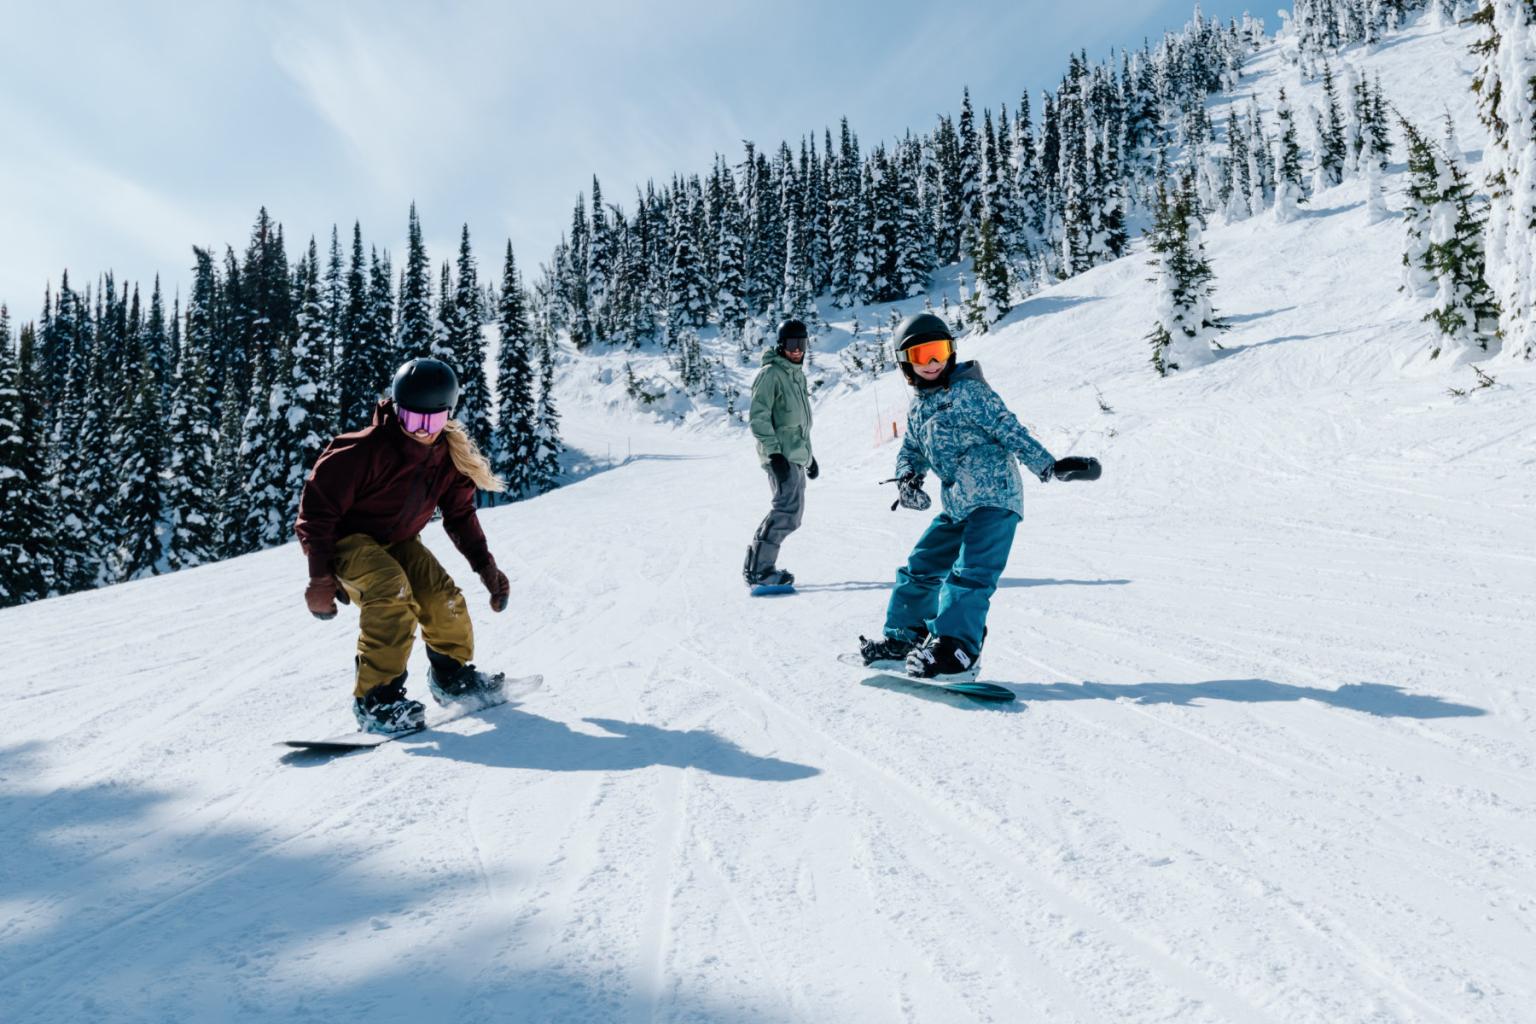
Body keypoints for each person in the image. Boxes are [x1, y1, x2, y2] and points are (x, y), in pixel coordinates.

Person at [859, 313, 1101, 680]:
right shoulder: (917, 409)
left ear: (952, 352)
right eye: (922, 355)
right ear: (906, 363)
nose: (933, 363)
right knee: (920, 566)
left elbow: (1009, 429)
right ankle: (905, 639)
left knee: (970, 574)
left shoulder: (971, 392)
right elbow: (911, 449)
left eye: (939, 352)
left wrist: (1048, 466)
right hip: (957, 506)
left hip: (995, 499)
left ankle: (957, 650)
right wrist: (908, 475)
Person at [295, 357, 513, 734]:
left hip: (398, 541)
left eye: (434, 422)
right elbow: (316, 515)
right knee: (389, 589)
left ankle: (451, 677)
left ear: (448, 416)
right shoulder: (359, 451)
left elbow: (460, 516)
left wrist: (486, 568)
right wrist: (319, 580)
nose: (424, 431)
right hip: (347, 543)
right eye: (414, 420)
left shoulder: (446, 458)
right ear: (398, 411)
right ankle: (376, 700)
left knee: (441, 596)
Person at [743, 318, 819, 587]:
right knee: (787, 513)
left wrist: (809, 459)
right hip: (781, 459)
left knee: (790, 515)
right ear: (781, 345)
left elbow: (797, 426)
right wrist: (774, 455)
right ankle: (761, 571)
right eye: (791, 344)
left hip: (795, 457)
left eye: (801, 344)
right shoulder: (771, 374)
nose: (797, 350)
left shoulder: (796, 375)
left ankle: (756, 566)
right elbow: (759, 418)